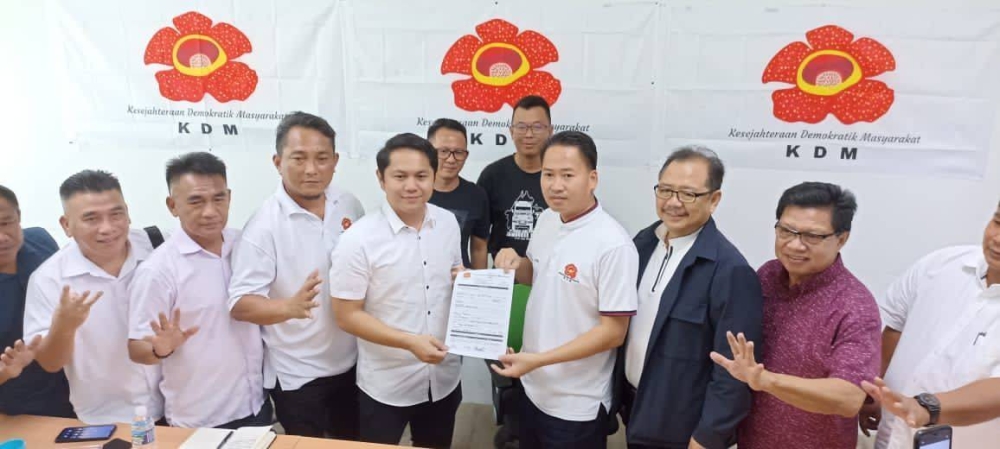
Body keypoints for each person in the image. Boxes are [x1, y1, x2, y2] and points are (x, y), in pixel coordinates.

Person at [492, 131, 638, 449]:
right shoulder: (546, 219)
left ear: (592, 178)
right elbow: (537, 275)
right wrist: (516, 264)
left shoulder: (613, 244)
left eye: (568, 175)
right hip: (532, 387)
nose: (556, 185)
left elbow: (614, 332)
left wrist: (540, 359)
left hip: (576, 405)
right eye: (548, 174)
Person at [711, 182, 881, 449]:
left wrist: (766, 381)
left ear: (842, 238)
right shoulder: (766, 276)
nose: (794, 245)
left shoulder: (855, 305)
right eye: (786, 231)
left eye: (812, 236)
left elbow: (848, 398)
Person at [229, 112, 364, 438]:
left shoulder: (348, 204)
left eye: (321, 158)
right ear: (277, 161)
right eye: (298, 158)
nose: (311, 169)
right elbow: (240, 304)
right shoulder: (262, 227)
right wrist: (288, 307)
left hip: (353, 360)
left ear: (335, 161)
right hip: (299, 376)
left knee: (353, 442)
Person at [619, 146, 763, 449]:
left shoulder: (730, 271)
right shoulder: (642, 244)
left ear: (714, 200)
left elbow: (733, 374)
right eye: (666, 190)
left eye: (688, 194)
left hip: (685, 430)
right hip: (636, 411)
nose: (673, 202)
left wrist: (707, 438)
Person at [330, 133, 463, 448]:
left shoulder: (448, 223)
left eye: (421, 176)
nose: (411, 186)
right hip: (386, 385)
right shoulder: (357, 240)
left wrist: (466, 282)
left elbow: (453, 279)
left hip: (443, 378)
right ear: (381, 178)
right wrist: (408, 342)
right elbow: (346, 316)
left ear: (434, 176)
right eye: (400, 176)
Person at [127, 152, 268, 429]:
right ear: (172, 205)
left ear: (229, 197)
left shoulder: (245, 245)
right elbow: (136, 347)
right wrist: (159, 348)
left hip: (255, 404)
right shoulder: (158, 270)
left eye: (218, 198)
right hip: (199, 418)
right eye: (196, 201)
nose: (210, 211)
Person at [23, 170, 163, 424]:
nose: (107, 228)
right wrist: (64, 327)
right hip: (109, 419)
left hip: (181, 405)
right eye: (91, 218)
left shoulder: (159, 246)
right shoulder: (50, 279)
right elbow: (50, 363)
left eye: (116, 214)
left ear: (128, 212)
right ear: (66, 225)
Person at [858, 200, 1000, 449]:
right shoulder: (940, 265)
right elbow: (895, 329)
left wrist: (927, 407)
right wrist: (873, 390)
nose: (997, 238)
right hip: (890, 438)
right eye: (997, 221)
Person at [0, 185, 74, 415]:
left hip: (74, 394)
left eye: (6, 222)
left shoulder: (40, 241)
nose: (2, 237)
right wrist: (6, 372)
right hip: (17, 411)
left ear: (18, 216)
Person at [477, 95, 553, 259]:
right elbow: (479, 236)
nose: (529, 134)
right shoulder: (492, 176)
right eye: (521, 127)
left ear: (550, 131)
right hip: (504, 277)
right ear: (511, 131)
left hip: (551, 276)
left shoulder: (561, 176)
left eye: (537, 127)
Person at [427, 118, 490, 269]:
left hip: (459, 283)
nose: (451, 159)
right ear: (428, 152)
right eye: (443, 151)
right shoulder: (414, 191)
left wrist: (478, 285)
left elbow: (479, 248)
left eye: (458, 152)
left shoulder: (476, 195)